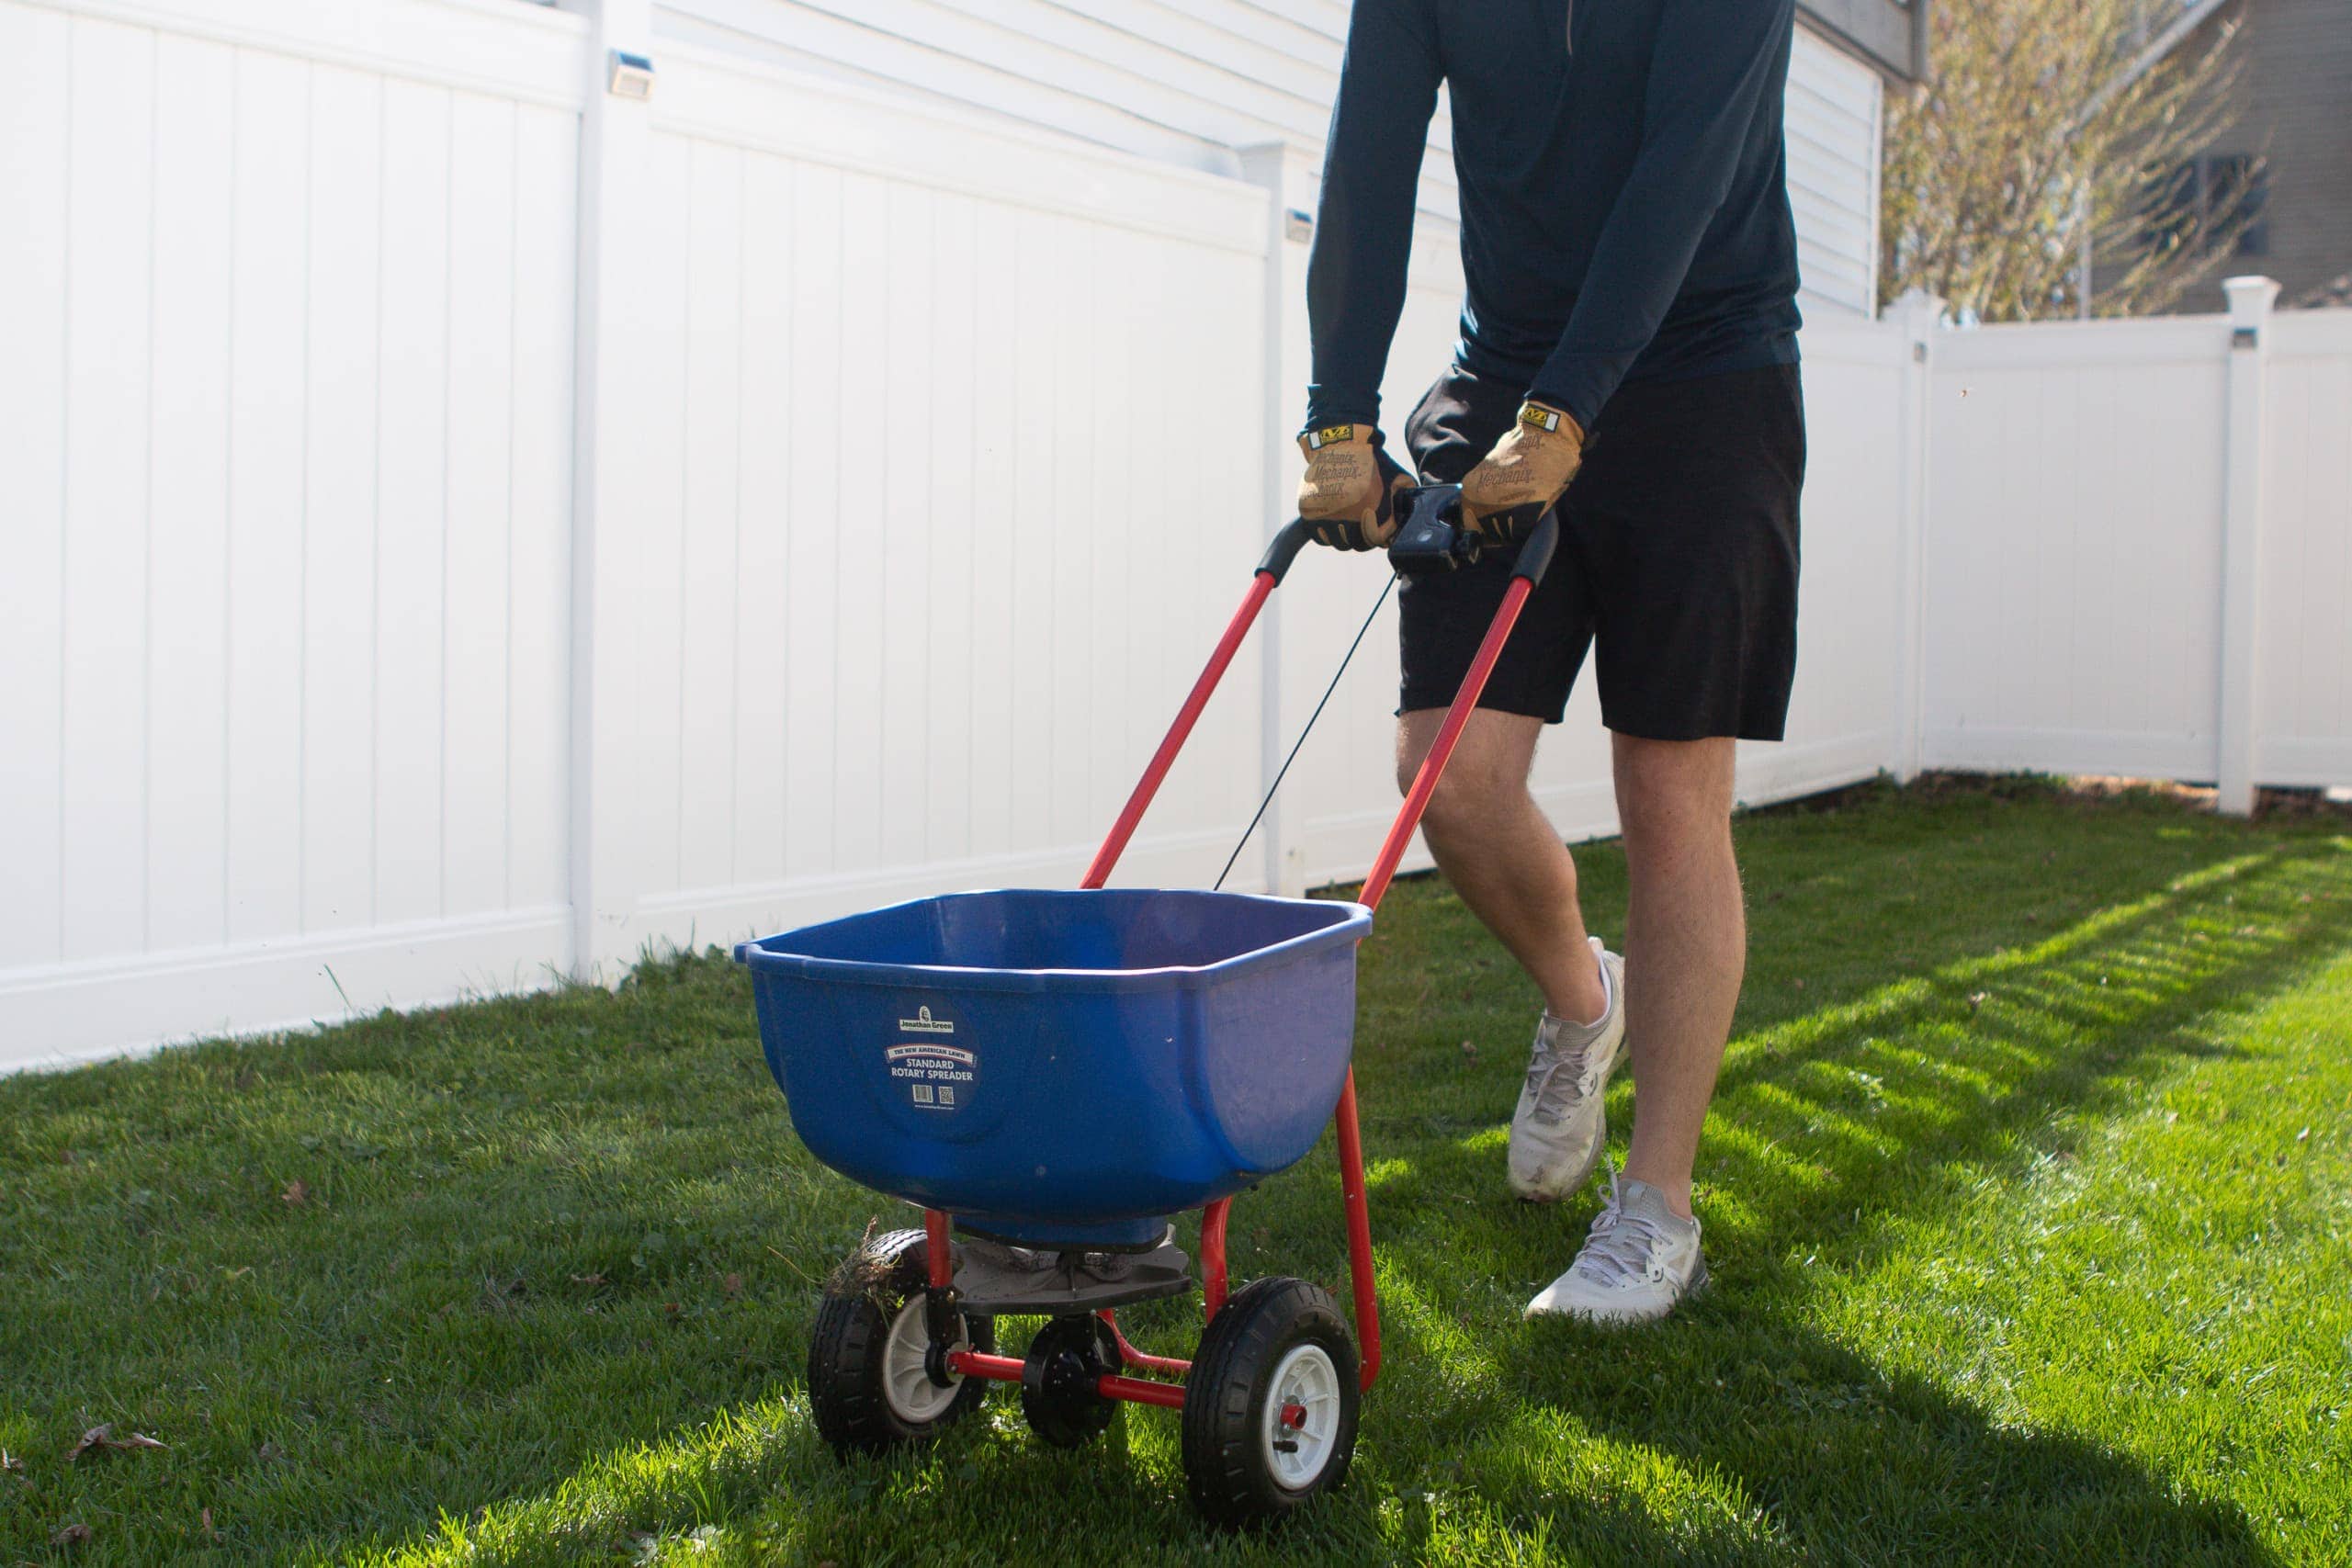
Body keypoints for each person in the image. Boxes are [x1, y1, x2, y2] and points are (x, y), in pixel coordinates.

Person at [1295, 0, 1806, 1324]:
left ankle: (1656, 1209)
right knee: (1448, 778)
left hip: (1705, 374)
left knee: (1669, 795)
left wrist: (1571, 410)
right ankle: (1587, 1006)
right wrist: (1340, 411)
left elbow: (1685, 171)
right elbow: (1370, 160)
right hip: (1503, 367)